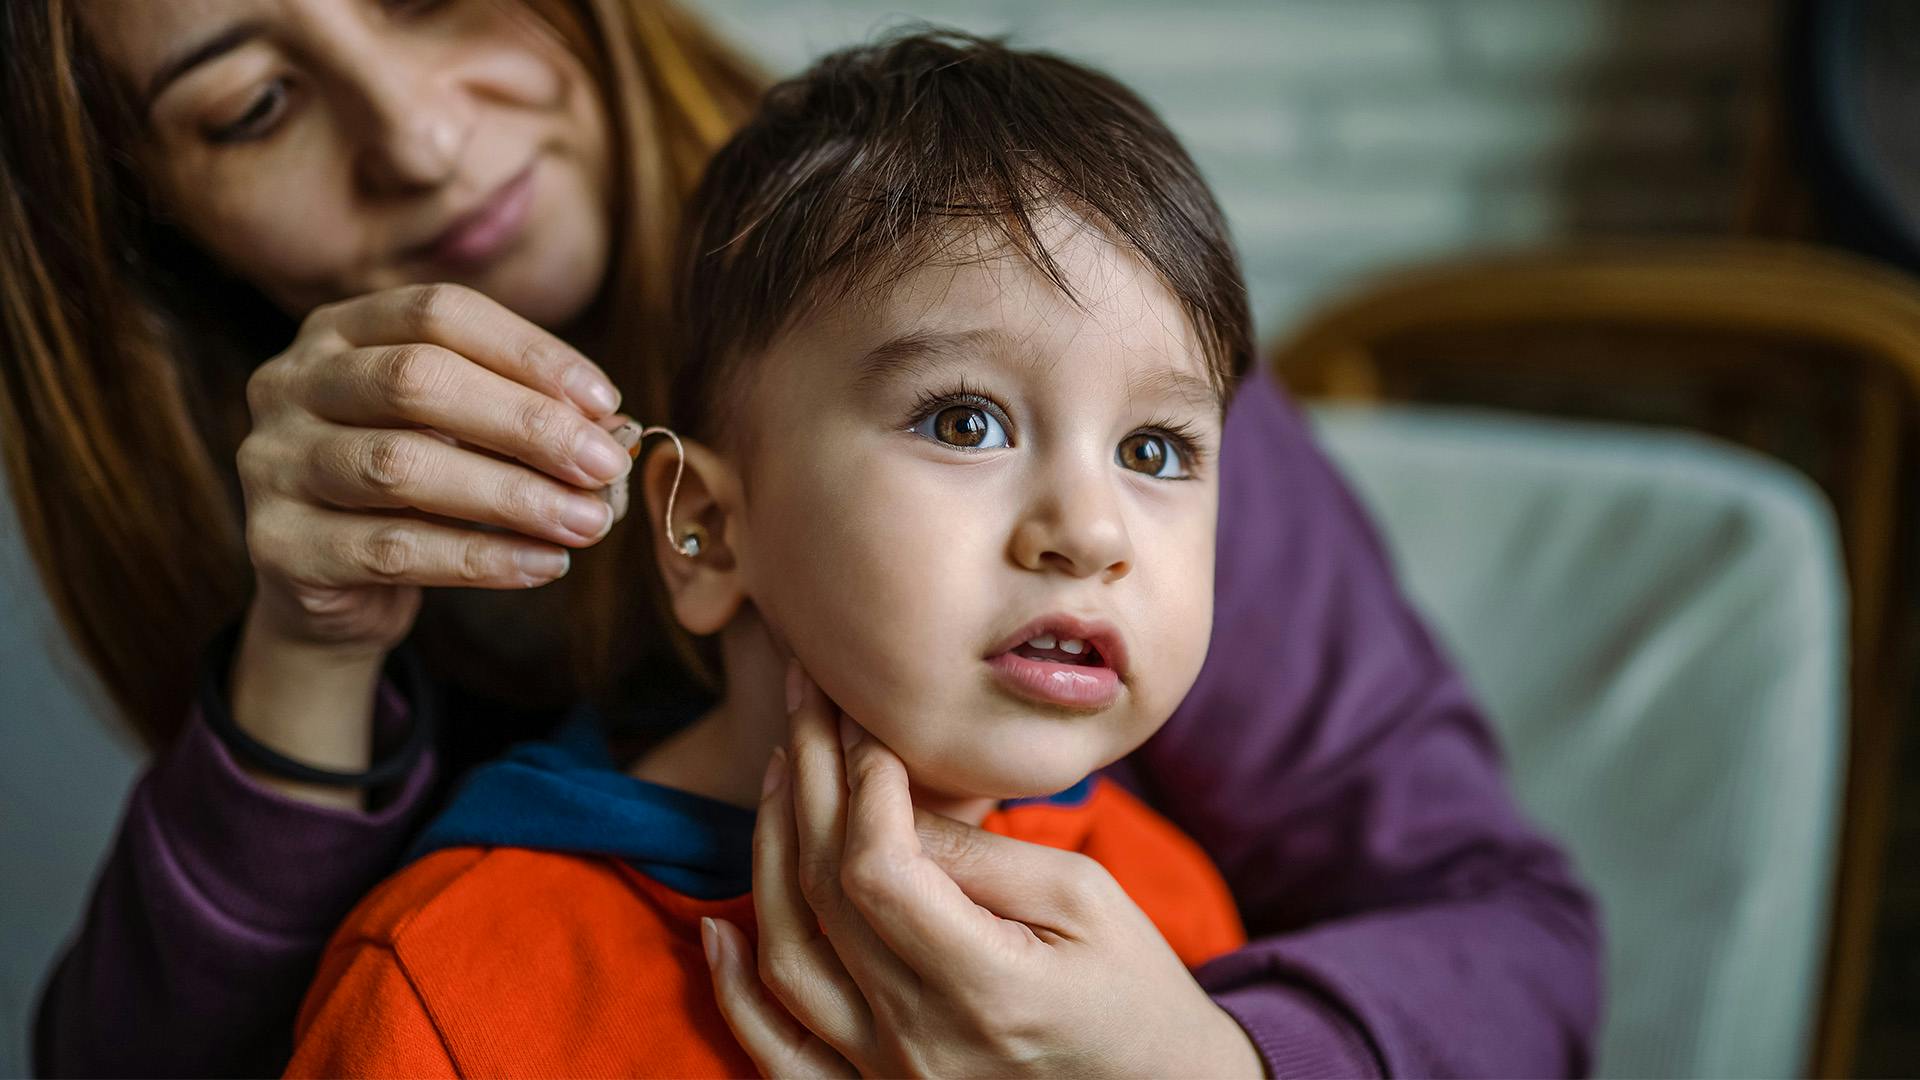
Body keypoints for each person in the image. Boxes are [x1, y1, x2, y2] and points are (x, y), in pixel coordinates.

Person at [3, 1, 1599, 1076]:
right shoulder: (446, 973)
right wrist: (302, 662)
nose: (418, 137)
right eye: (256, 102)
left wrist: (1216, 1061)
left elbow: (1512, 937)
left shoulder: (1072, 290)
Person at [287, 31, 1260, 1076]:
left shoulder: (1159, 924)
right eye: (965, 423)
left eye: (1154, 449)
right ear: (704, 530)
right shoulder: (441, 985)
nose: (1093, 532)